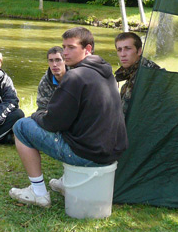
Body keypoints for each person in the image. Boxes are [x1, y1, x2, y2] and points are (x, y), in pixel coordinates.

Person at [9, 27, 128, 207]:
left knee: (21, 126)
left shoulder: (75, 76)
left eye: (71, 47)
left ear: (87, 49)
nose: (65, 53)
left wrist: (37, 115)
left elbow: (52, 123)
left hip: (88, 155)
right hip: (111, 152)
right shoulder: (106, 72)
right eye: (64, 47)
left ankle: (38, 193)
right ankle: (67, 182)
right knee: (76, 128)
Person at [114, 31, 160, 120]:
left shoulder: (147, 75)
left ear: (139, 51)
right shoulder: (131, 72)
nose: (123, 54)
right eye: (119, 50)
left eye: (127, 48)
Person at [35, 46, 67, 111]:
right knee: (24, 121)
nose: (54, 64)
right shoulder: (45, 82)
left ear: (65, 61)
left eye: (58, 60)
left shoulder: (75, 78)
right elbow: (42, 108)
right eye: (51, 61)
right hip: (52, 117)